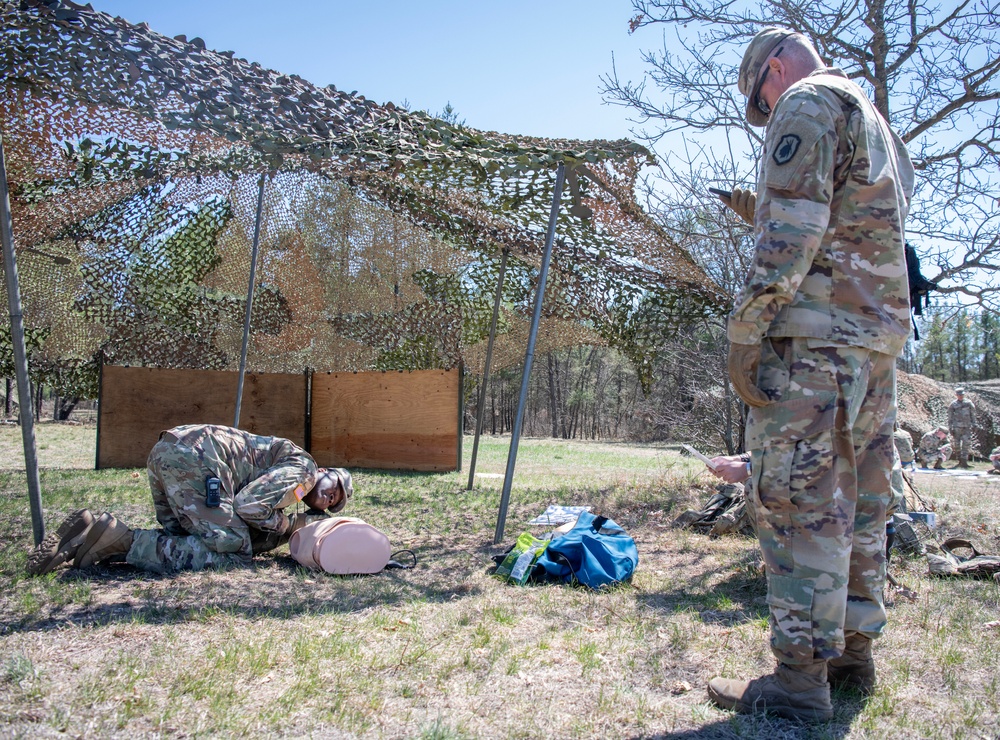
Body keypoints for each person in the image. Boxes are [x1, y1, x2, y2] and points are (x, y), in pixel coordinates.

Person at [710, 27, 914, 721]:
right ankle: (853, 657)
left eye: (760, 102)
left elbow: (793, 230)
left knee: (799, 504)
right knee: (860, 503)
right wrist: (762, 205)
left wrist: (747, 331)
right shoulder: (875, 122)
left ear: (772, 69)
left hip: (813, 348)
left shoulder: (805, 100)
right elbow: (865, 229)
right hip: (874, 349)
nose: (768, 115)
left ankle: (800, 683)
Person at [27, 424, 353, 575]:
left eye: (332, 501)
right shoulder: (304, 468)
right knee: (235, 552)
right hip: (196, 462)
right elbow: (250, 506)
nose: (328, 497)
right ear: (323, 470)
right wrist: (285, 525)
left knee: (187, 540)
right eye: (333, 486)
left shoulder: (287, 468)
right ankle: (119, 540)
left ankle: (92, 534)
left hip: (170, 450)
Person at [947, 388, 976, 468]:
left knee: (966, 444)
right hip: (956, 427)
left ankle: (964, 462)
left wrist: (974, 424)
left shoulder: (968, 403)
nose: (961, 396)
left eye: (962, 394)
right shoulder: (953, 404)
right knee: (956, 444)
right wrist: (950, 427)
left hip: (967, 427)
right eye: (959, 395)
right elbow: (950, 417)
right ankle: (959, 460)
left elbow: (973, 414)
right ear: (956, 395)